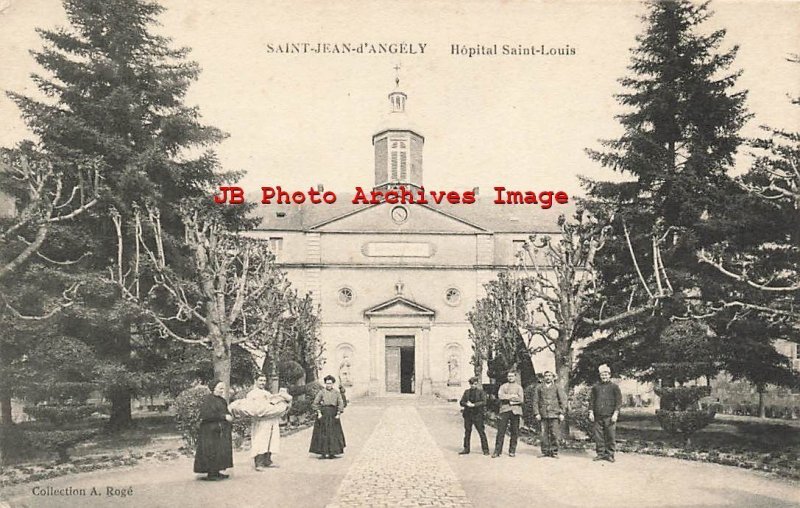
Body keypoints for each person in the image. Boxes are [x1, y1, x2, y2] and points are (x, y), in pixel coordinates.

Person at [246, 375, 291, 470]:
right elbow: (252, 408)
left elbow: (273, 402)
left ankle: (268, 460)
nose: (262, 382)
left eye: (264, 381)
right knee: (260, 440)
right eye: (260, 380)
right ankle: (259, 463)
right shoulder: (251, 394)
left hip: (271, 419)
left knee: (271, 440)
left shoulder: (267, 393)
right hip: (261, 420)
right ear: (255, 381)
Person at [193, 380, 233, 481]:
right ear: (213, 388)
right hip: (209, 430)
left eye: (223, 388)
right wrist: (223, 416)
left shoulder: (222, 400)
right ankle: (211, 473)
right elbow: (207, 415)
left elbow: (226, 411)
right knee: (211, 451)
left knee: (220, 450)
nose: (222, 390)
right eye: (220, 388)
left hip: (220, 430)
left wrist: (229, 416)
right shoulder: (208, 400)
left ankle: (217, 471)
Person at [589, 364, 622, 462]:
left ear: (609, 375)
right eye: (602, 375)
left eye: (606, 375)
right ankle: (600, 454)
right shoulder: (596, 387)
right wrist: (591, 412)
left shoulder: (614, 387)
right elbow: (592, 400)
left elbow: (618, 401)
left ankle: (610, 454)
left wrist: (615, 413)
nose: (604, 377)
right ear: (600, 376)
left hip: (610, 416)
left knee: (610, 435)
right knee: (598, 436)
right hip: (598, 415)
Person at [309, 375, 346, 459]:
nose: (328, 385)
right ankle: (323, 452)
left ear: (333, 384)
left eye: (330, 383)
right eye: (327, 383)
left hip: (333, 415)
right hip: (323, 414)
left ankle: (332, 452)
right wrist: (319, 412)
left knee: (333, 433)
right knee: (323, 433)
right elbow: (315, 403)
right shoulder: (321, 392)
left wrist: (338, 414)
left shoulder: (336, 393)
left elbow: (340, 403)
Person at [532, 371, 567, 458]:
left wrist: (562, 413)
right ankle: (545, 451)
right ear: (544, 377)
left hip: (554, 414)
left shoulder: (557, 387)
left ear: (553, 377)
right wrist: (536, 413)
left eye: (549, 376)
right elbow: (535, 401)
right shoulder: (539, 387)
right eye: (546, 376)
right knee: (543, 433)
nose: (548, 377)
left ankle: (554, 451)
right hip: (543, 414)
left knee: (554, 433)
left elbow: (563, 400)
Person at [492, 371, 524, 458]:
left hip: (515, 411)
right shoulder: (503, 386)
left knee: (514, 431)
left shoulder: (519, 387)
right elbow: (500, 396)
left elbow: (521, 399)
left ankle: (512, 450)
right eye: (509, 376)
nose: (510, 378)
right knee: (501, 431)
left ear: (515, 377)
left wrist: (508, 398)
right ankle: (497, 451)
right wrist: (512, 396)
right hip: (504, 410)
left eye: (512, 376)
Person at [458, 376, 489, 455]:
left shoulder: (481, 392)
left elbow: (484, 402)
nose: (473, 385)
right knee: (467, 432)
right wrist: (466, 404)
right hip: (468, 415)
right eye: (471, 384)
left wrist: (474, 405)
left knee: (481, 432)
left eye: (474, 384)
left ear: (477, 384)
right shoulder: (466, 392)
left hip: (478, 414)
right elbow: (461, 402)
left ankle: (485, 450)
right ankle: (466, 449)